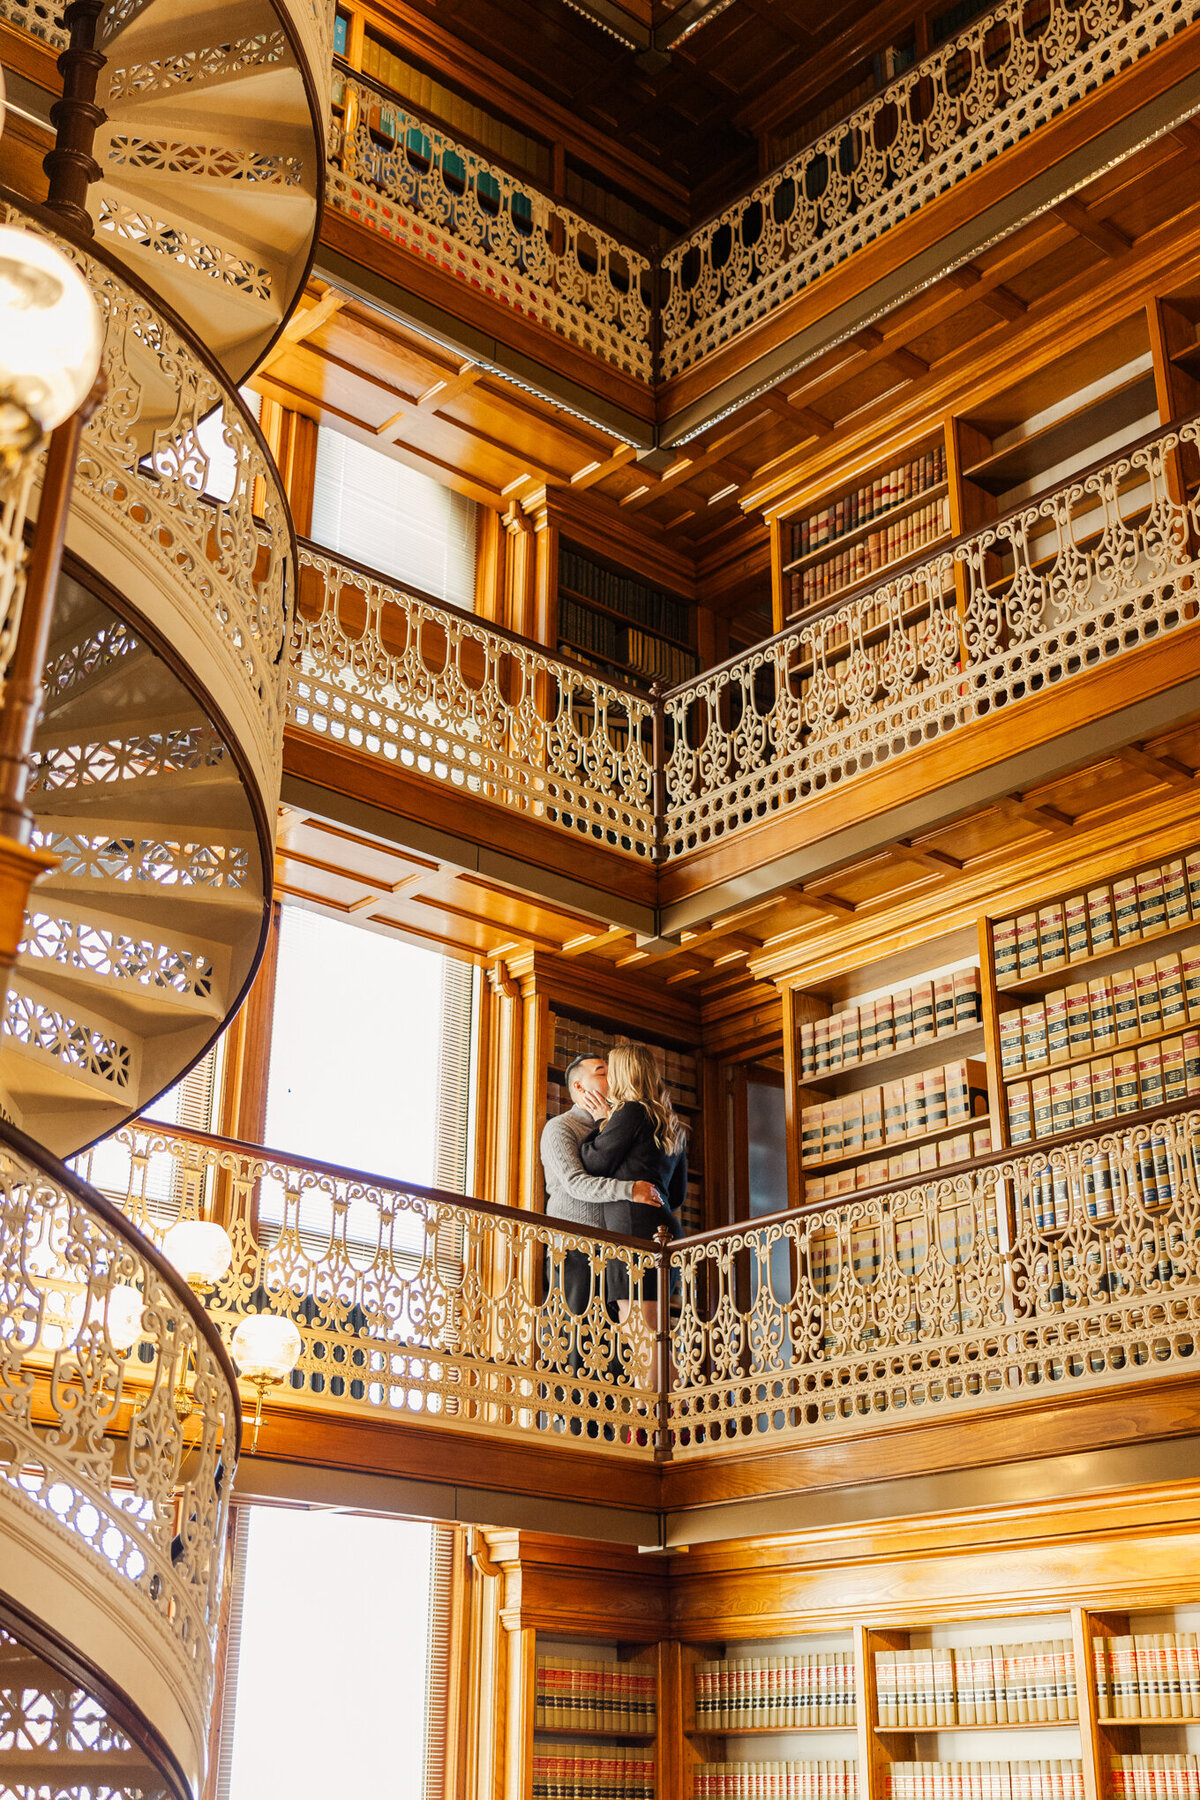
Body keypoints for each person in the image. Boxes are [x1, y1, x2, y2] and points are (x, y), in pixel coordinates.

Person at [539, 1051, 664, 1326]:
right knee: (577, 1339)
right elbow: (575, 1183)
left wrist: (607, 1122)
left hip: (613, 1249)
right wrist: (630, 1190)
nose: (612, 1077)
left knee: (620, 1342)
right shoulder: (559, 1128)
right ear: (579, 1086)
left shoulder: (622, 1122)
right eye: (602, 1073)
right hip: (574, 1248)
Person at [577, 1042, 686, 1321]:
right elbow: (677, 1194)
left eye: (610, 1071)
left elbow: (594, 1162)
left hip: (633, 1229)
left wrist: (601, 1122)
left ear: (623, 1074)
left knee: (639, 1330)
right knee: (651, 1330)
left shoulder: (631, 1111)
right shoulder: (671, 1122)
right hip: (663, 1229)